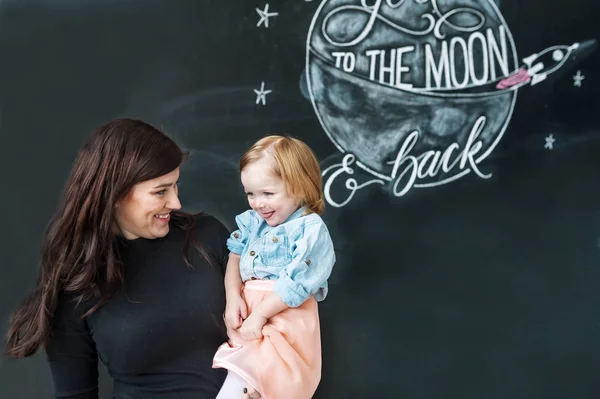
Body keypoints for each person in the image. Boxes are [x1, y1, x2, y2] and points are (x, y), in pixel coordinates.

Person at [4, 118, 260, 399]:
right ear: (114, 194)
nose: (175, 203)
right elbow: (74, 394)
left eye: (175, 186)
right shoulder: (77, 284)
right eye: (160, 191)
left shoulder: (207, 236)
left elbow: (275, 325)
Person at [212, 135, 336, 399]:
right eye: (250, 194)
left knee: (259, 383)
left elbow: (296, 284)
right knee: (245, 380)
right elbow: (235, 257)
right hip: (251, 319)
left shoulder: (309, 229)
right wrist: (233, 297)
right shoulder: (253, 223)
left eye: (268, 193)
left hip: (283, 316)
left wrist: (260, 315)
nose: (257, 203)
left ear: (300, 187)